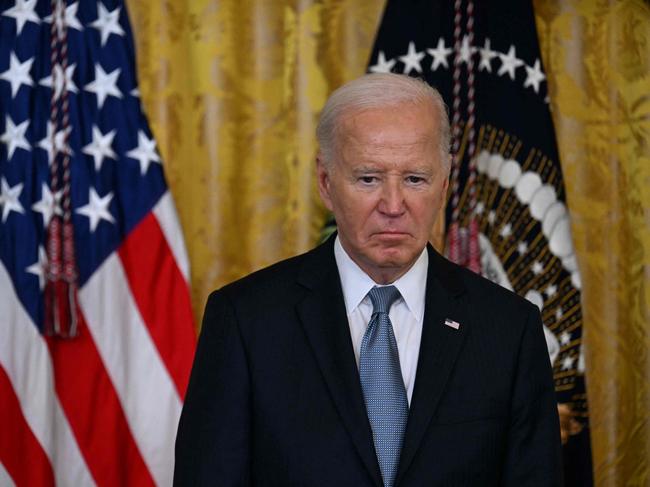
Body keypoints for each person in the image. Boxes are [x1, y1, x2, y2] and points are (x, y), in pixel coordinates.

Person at [174, 73, 562, 486]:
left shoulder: (508, 329)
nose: (393, 206)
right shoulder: (245, 320)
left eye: (415, 179)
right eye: (368, 178)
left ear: (444, 185)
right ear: (326, 183)